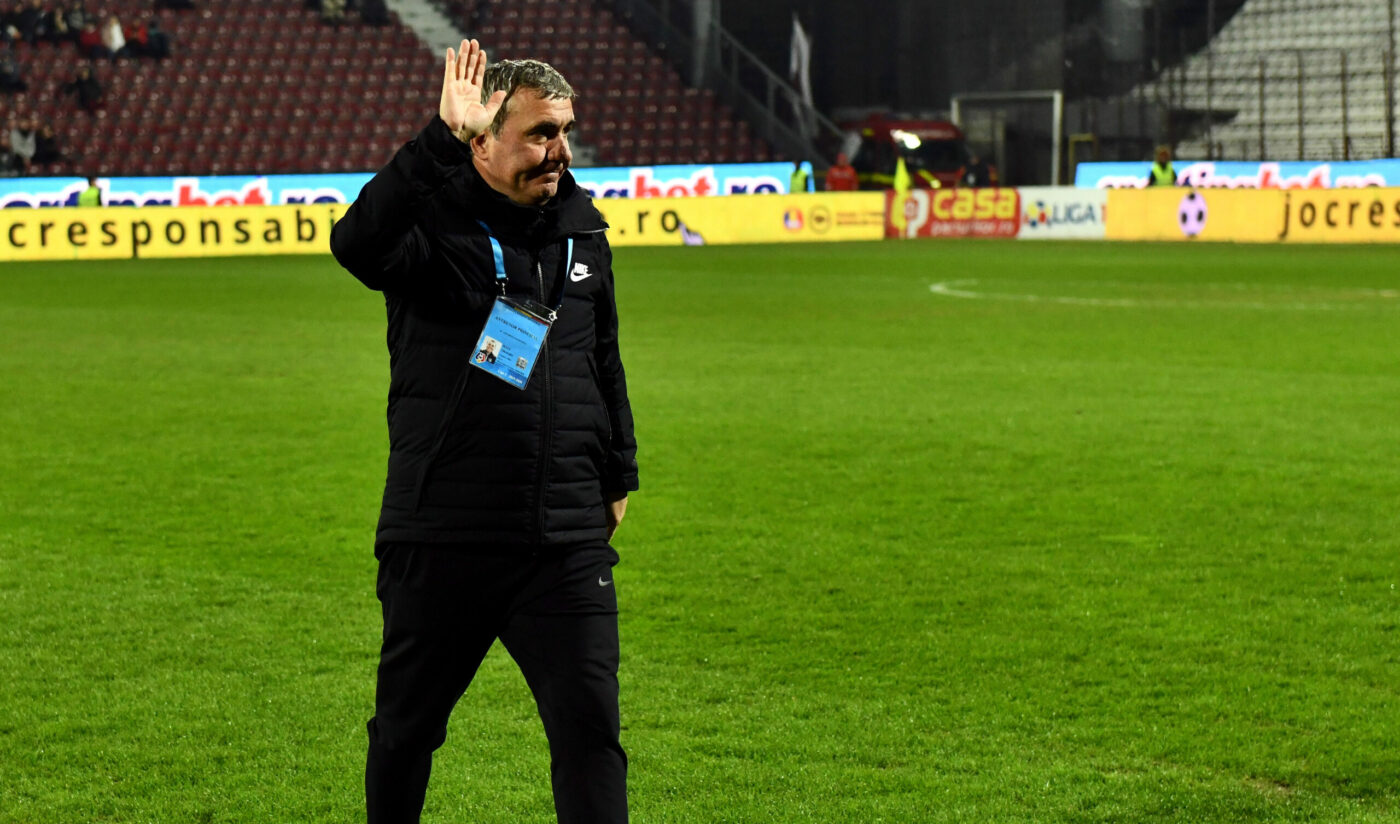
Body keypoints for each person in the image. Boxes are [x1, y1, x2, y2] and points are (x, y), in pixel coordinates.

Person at [330, 39, 637, 824]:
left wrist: (617, 473)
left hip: (563, 540)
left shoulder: (583, 235)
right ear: (482, 141)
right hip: (446, 532)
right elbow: (355, 244)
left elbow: (603, 359)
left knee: (591, 736)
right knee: (406, 732)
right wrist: (436, 140)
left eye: (564, 131)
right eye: (539, 134)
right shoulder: (431, 229)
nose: (559, 151)